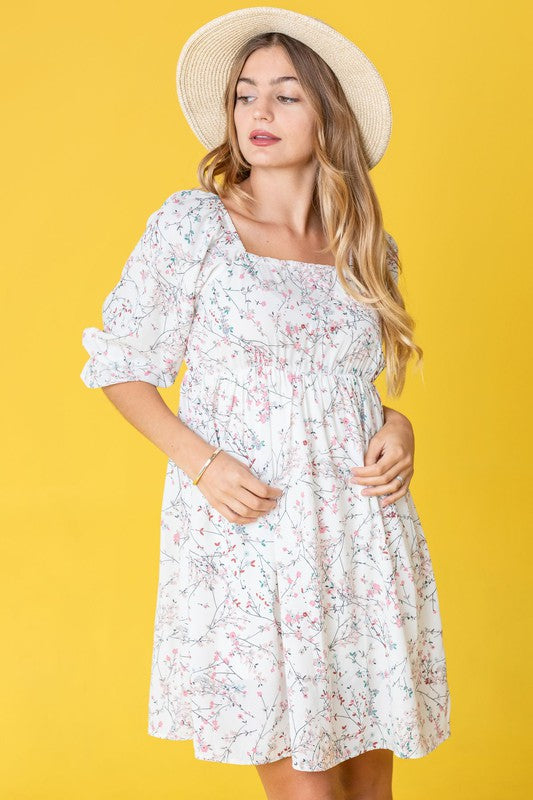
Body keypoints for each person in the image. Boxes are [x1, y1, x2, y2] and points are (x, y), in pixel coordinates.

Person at [80, 7, 451, 800]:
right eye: (246, 95)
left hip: (358, 535)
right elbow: (119, 365)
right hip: (253, 531)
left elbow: (346, 385)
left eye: (285, 96)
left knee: (370, 792)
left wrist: (399, 423)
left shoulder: (365, 244)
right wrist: (201, 462)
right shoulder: (196, 226)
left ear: (327, 112)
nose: (258, 114)